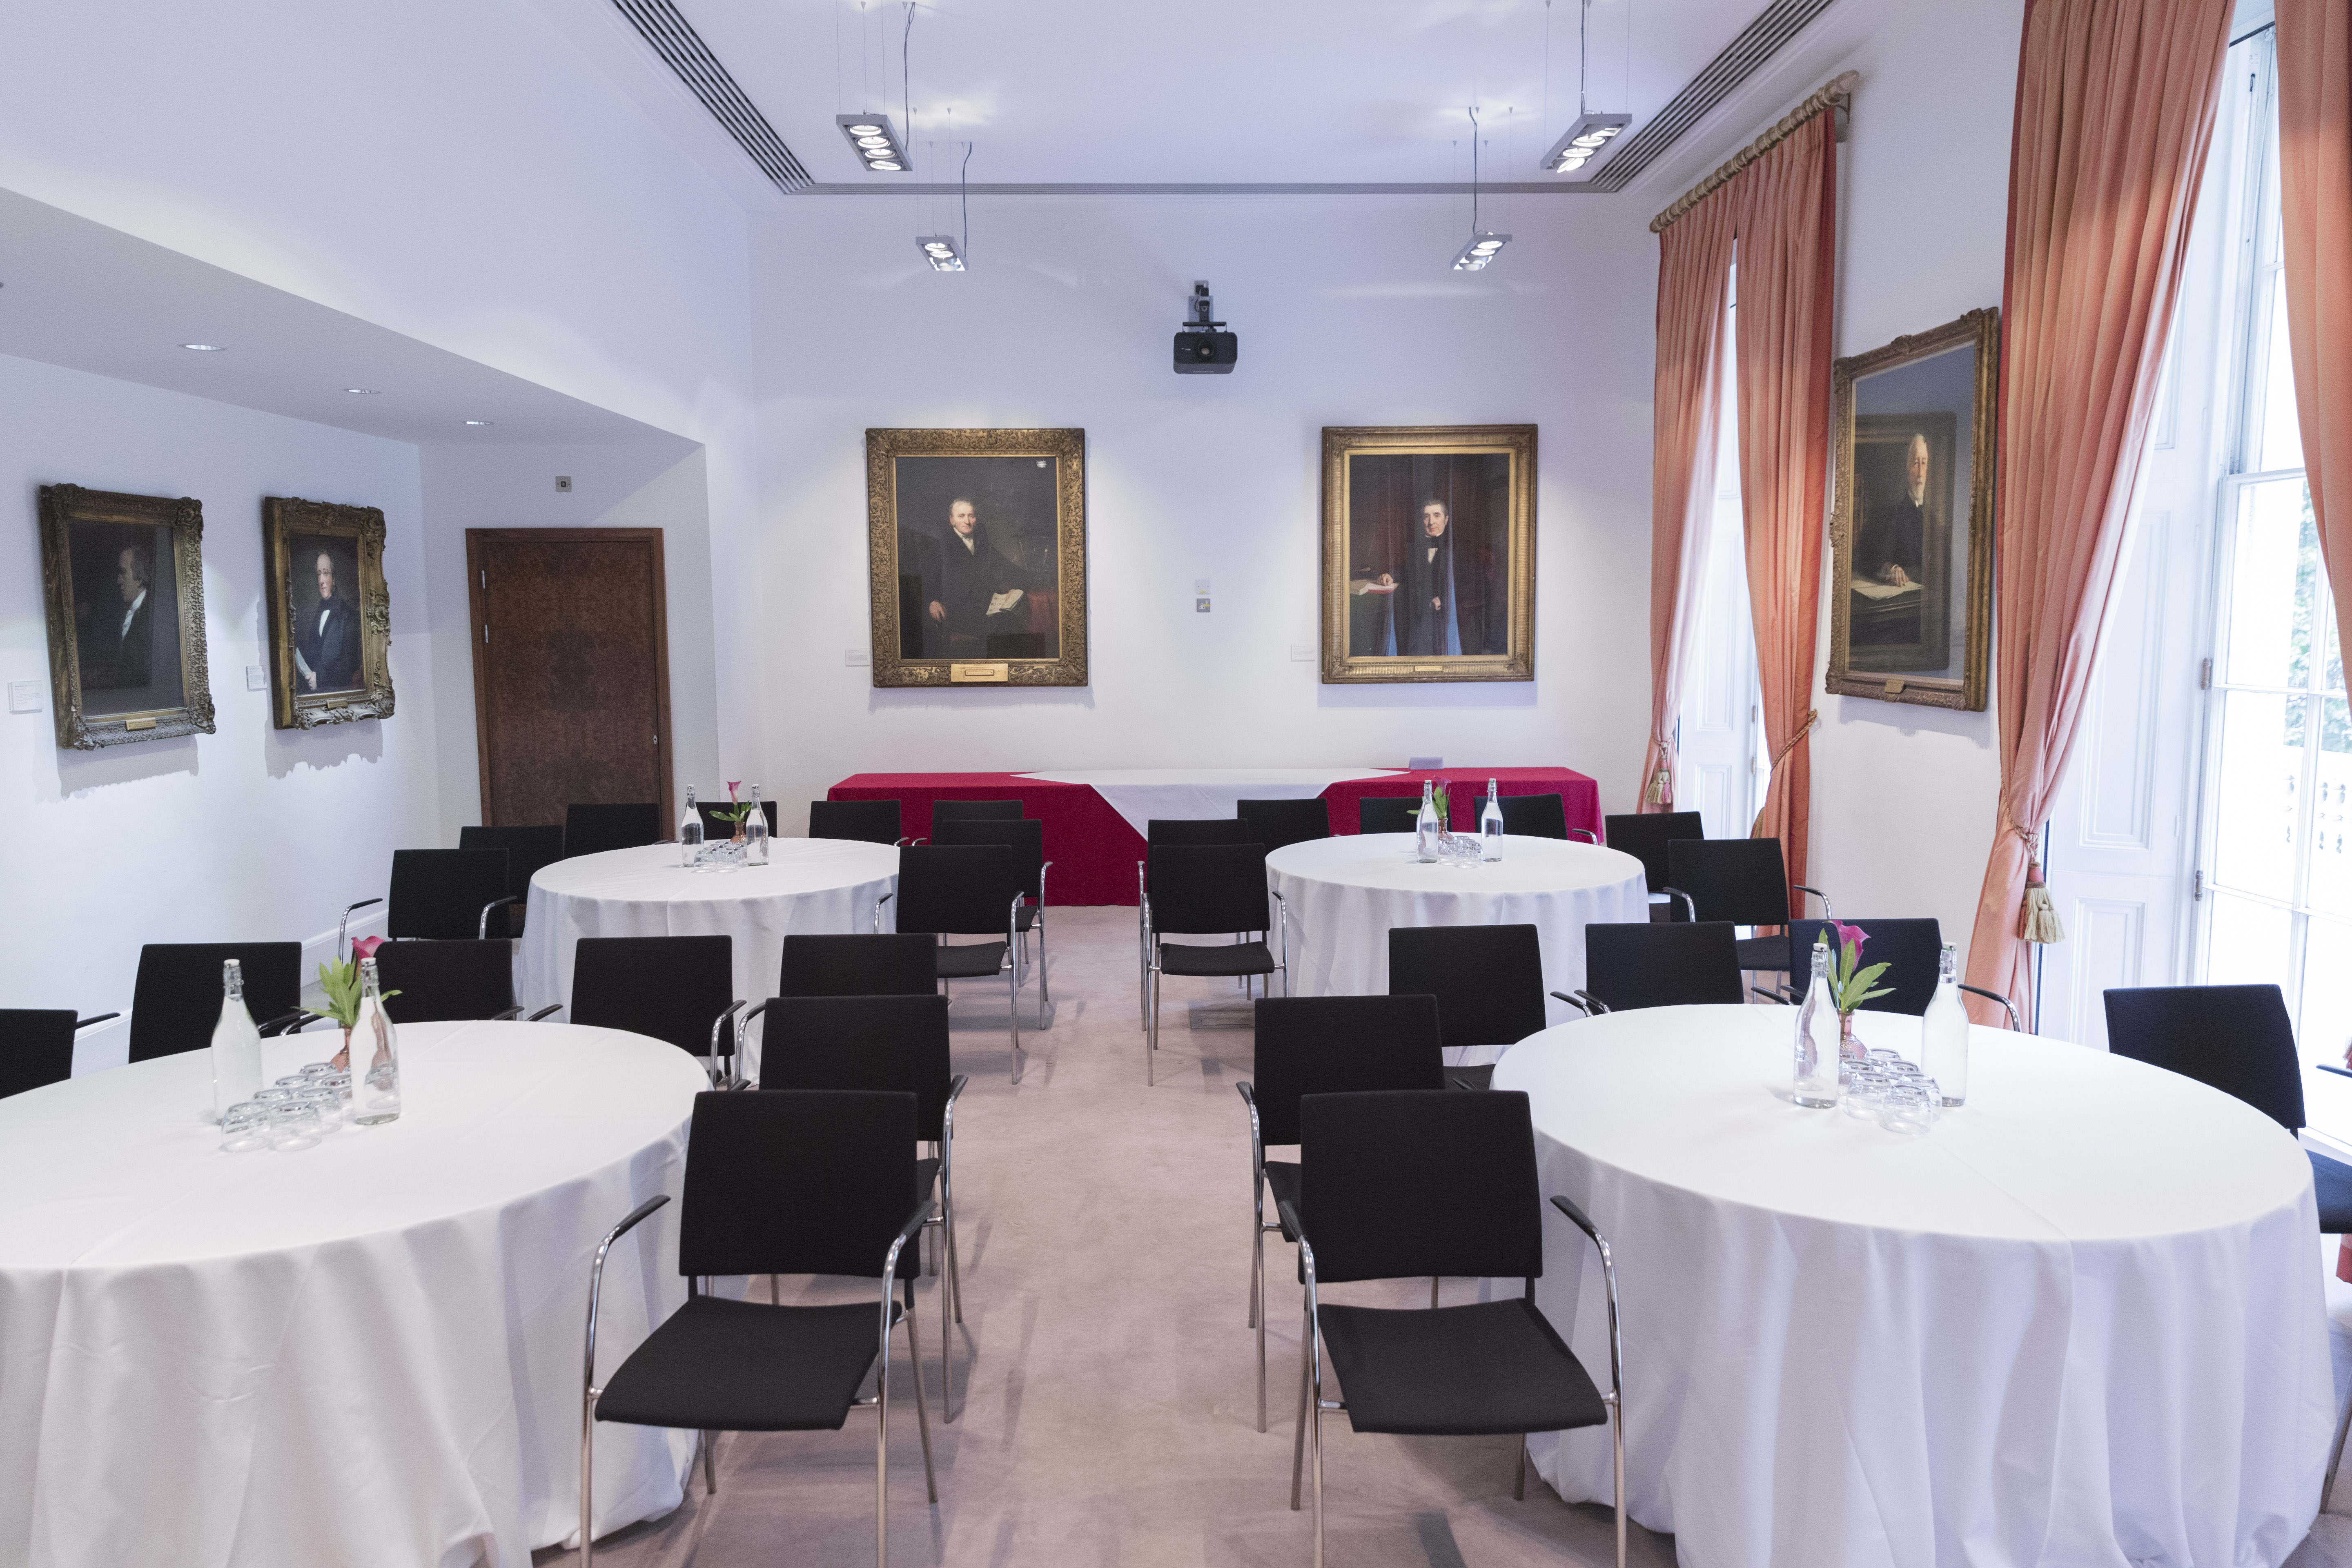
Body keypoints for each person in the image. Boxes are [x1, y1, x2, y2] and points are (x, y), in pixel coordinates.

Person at [924, 498, 1024, 656]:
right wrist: (933, 601)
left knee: (1013, 620)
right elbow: (929, 579)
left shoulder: (981, 540)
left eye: (971, 516)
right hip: (958, 610)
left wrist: (1022, 583)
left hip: (987, 604)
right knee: (1001, 626)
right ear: (952, 520)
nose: (967, 521)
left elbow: (1005, 566)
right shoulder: (940, 544)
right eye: (961, 516)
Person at [1856, 434, 1932, 588]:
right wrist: (1890, 568)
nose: (1920, 473)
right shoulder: (1894, 513)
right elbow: (1868, 556)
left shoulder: (1935, 514)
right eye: (1915, 464)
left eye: (1924, 463)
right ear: (1906, 469)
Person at [85, 543, 156, 690]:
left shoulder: (149, 616)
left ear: (140, 578)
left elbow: (139, 672)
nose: (119, 580)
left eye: (123, 573)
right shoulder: (130, 611)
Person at [1397, 499, 1463, 656]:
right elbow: (1403, 573)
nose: (1431, 522)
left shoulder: (1457, 548)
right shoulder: (1413, 548)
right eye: (1426, 517)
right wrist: (1389, 576)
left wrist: (1444, 599)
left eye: (1437, 515)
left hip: (1445, 619)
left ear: (1446, 520)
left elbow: (1468, 584)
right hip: (1418, 618)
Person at [294, 549, 362, 690]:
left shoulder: (348, 615)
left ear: (334, 578)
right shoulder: (319, 613)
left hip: (338, 692)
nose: (322, 581)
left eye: (326, 573)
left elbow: (349, 664)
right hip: (316, 694)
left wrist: (320, 678)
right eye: (319, 574)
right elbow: (314, 653)